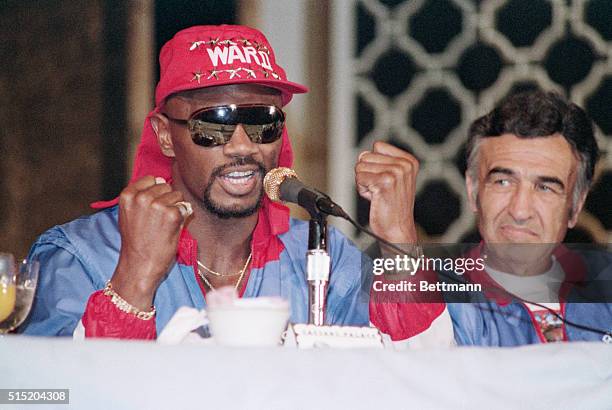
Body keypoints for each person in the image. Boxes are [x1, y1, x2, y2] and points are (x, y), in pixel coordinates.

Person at [21, 25, 416, 339]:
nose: (242, 147)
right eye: (213, 123)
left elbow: (414, 381)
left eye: (263, 121)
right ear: (164, 135)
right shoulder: (79, 257)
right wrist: (134, 279)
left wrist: (401, 242)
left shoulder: (328, 260)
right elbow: (47, 395)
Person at [368, 90, 612, 346]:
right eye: (503, 182)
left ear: (576, 205)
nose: (519, 211)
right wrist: (396, 239)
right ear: (473, 191)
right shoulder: (442, 296)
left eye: (545, 188)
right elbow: (421, 369)